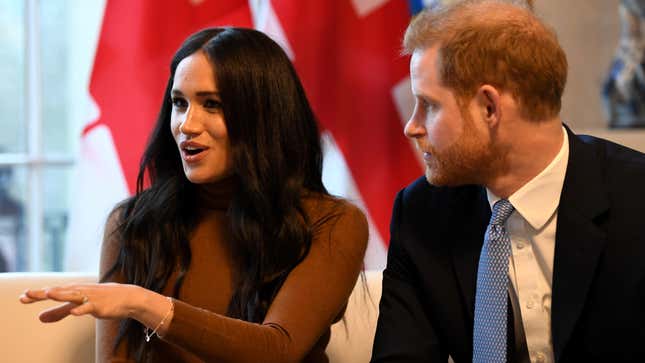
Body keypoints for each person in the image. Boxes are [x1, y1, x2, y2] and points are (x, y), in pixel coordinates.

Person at [20, 27, 368, 363]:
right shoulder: (132, 223)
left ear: (264, 115)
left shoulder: (333, 223)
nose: (186, 124)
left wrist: (144, 304)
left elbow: (278, 350)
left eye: (212, 104)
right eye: (179, 102)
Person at [371, 1, 645, 362]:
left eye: (430, 105)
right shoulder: (421, 214)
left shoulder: (636, 199)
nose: (412, 126)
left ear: (489, 107)